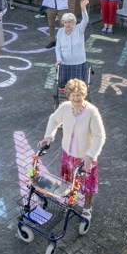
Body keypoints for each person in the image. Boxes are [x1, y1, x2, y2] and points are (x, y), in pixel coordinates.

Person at [41, 78, 105, 219]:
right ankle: (71, 200)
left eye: (79, 95)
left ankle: (87, 207)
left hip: (86, 157)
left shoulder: (92, 112)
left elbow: (100, 136)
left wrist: (90, 155)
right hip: (68, 154)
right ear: (69, 96)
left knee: (88, 184)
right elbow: (54, 119)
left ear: (84, 95)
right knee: (69, 181)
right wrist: (49, 136)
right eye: (73, 95)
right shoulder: (65, 107)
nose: (77, 98)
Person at [55, 0, 91, 89]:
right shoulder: (60, 32)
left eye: (69, 22)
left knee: (77, 88)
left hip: (78, 63)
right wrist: (59, 59)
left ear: (73, 22)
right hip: (64, 64)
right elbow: (58, 47)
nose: (67, 24)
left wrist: (83, 9)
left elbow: (85, 20)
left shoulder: (79, 29)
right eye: (65, 22)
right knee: (65, 88)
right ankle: (65, 102)